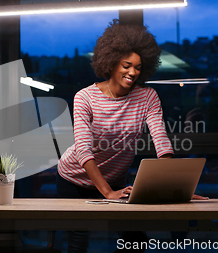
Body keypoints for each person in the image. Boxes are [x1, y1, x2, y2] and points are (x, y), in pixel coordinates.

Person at [56, 19, 207, 253]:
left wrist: (175, 188)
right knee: (78, 242)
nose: (133, 72)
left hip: (115, 180)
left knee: (135, 242)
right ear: (112, 62)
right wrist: (107, 193)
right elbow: (83, 149)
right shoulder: (84, 97)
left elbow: (161, 142)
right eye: (127, 65)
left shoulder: (147, 97)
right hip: (74, 178)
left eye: (138, 67)